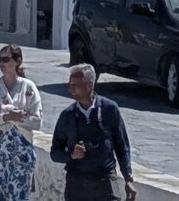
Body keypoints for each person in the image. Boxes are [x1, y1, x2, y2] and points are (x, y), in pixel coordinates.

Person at [50, 63, 135, 200]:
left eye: (75, 85)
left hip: (105, 180)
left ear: (89, 85)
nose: (71, 89)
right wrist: (71, 155)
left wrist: (128, 178)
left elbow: (122, 146)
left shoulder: (110, 109)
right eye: (70, 85)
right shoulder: (67, 115)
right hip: (77, 183)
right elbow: (55, 153)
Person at [0, 43, 43, 201]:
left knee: (18, 195)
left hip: (21, 155)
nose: (2, 63)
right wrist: (4, 117)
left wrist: (17, 118)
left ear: (17, 61)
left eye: (6, 59)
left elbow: (37, 121)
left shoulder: (29, 88)